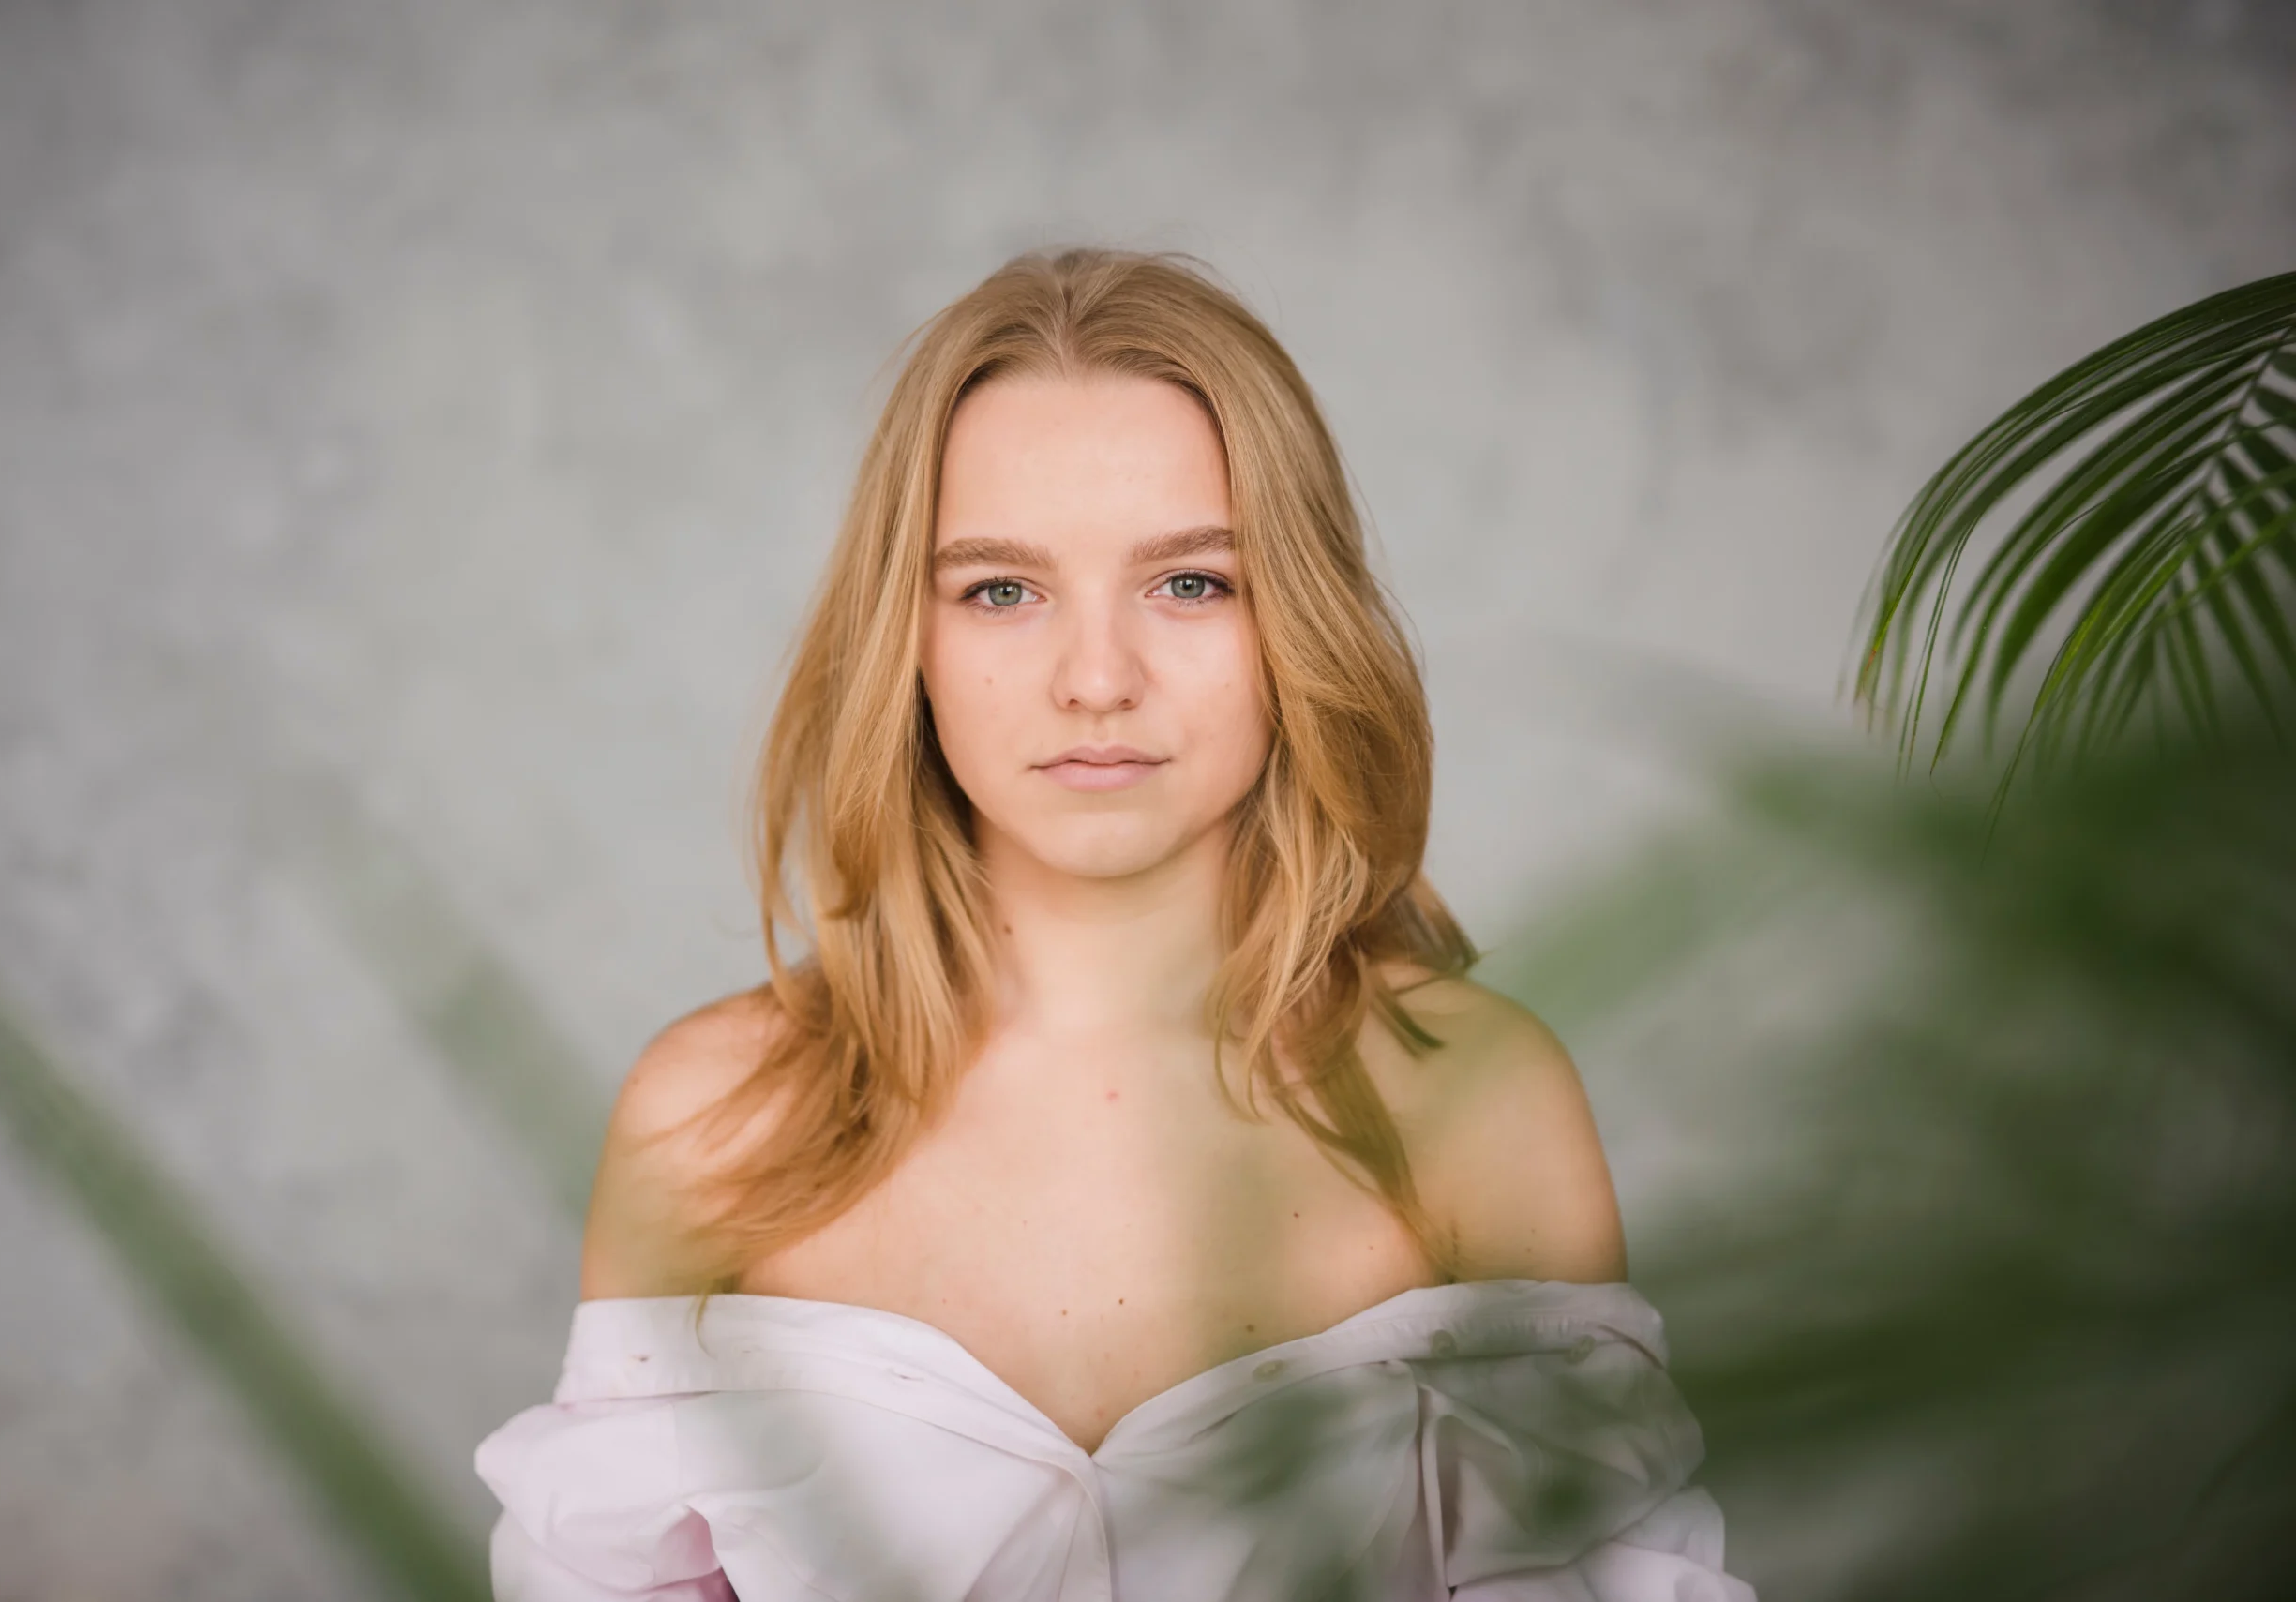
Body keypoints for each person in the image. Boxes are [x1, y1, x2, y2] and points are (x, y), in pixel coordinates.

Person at [475, 248, 1755, 1601]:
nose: (1097, 680)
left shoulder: (1479, 1099)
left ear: (1297, 624)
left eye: (1191, 582)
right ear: (908, 642)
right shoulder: (710, 1118)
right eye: (1001, 589)